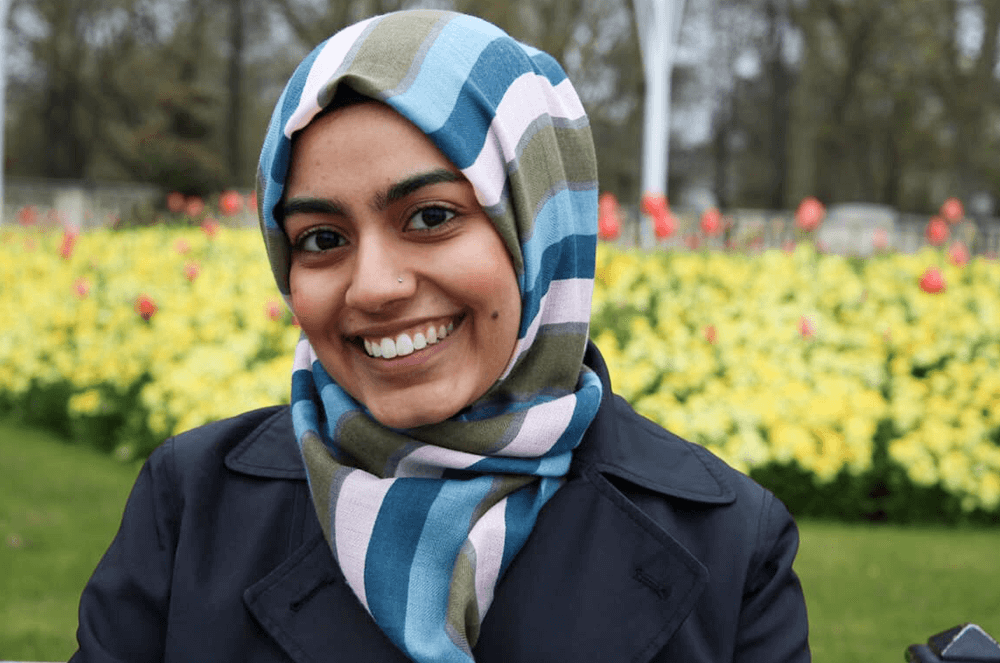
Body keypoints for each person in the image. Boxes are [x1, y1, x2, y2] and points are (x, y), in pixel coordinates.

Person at [71, 9, 810, 663]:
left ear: (537, 228)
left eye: (431, 217)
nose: (374, 286)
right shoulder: (193, 505)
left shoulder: (728, 544)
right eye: (322, 237)